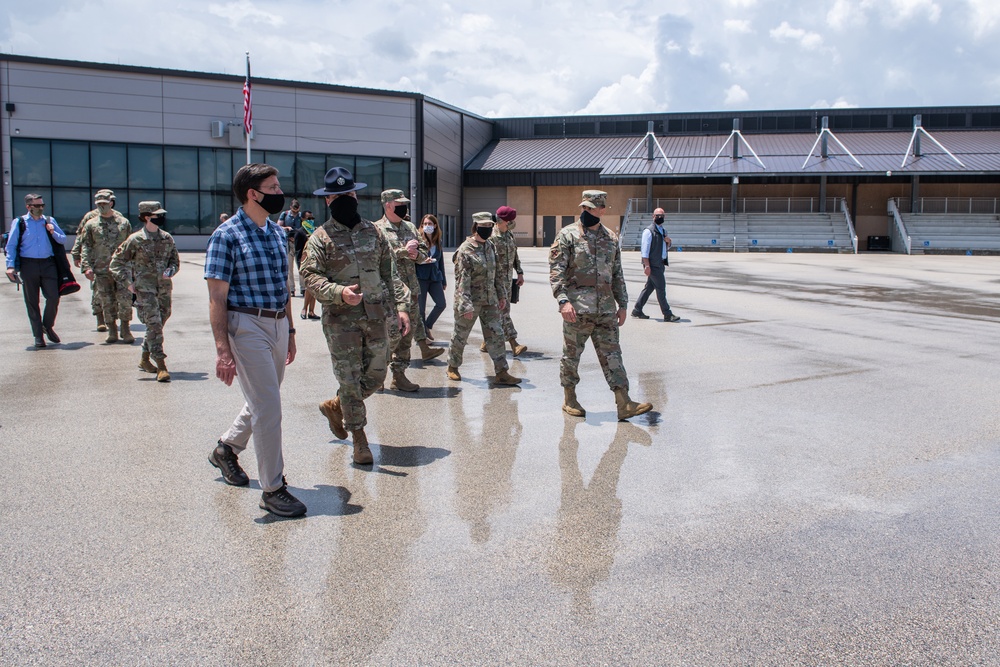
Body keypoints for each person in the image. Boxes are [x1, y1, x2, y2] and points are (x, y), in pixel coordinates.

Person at [204, 163, 305, 518]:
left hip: (277, 324)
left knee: (265, 398)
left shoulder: (278, 234)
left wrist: (290, 331)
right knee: (268, 407)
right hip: (245, 325)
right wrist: (222, 350)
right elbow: (217, 297)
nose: (280, 193)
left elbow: (285, 288)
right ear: (253, 193)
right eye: (273, 188)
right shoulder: (227, 235)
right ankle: (273, 489)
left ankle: (226, 448)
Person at [300, 167, 411, 465]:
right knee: (349, 379)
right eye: (339, 196)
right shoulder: (320, 239)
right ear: (328, 200)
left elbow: (390, 273)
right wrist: (339, 293)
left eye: (349, 194)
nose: (346, 199)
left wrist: (401, 308)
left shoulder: (374, 232)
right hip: (341, 321)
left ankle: (337, 406)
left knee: (376, 375)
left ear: (356, 195)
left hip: (377, 315)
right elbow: (309, 276)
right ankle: (359, 439)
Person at [549, 190, 652, 421]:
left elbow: (617, 273)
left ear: (602, 210)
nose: (585, 212)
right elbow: (557, 272)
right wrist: (563, 300)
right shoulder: (567, 235)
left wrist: (623, 304)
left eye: (591, 208)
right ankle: (569, 397)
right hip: (577, 311)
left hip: (605, 310)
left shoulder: (610, 238)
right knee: (571, 356)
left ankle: (624, 402)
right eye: (583, 208)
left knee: (613, 355)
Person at [374, 189, 444, 393]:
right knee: (389, 336)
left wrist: (417, 254)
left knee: (406, 336)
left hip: (411, 291)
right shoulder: (376, 230)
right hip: (389, 294)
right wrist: (404, 251)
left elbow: (424, 252)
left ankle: (399, 376)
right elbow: (376, 259)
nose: (404, 206)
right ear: (388, 205)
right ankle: (377, 375)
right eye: (399, 203)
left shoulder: (411, 227)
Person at [446, 212, 521, 386]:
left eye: (489, 226)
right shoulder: (465, 250)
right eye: (484, 226)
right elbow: (461, 282)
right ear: (475, 227)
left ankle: (502, 372)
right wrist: (465, 305)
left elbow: (496, 275)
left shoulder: (490, 246)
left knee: (496, 334)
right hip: (470, 302)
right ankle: (452, 366)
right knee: (460, 336)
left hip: (490, 300)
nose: (487, 229)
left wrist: (502, 295)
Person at [110, 201, 179, 382]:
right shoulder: (135, 240)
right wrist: (127, 283)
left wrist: (170, 271)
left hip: (163, 290)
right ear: (147, 217)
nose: (162, 218)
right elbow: (116, 263)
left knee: (157, 324)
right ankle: (161, 366)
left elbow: (175, 262)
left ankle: (144, 359)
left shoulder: (167, 238)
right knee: (154, 325)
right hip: (145, 290)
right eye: (158, 215)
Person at [5, 194, 66, 348]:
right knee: (32, 302)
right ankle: (38, 335)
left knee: (53, 297)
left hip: (48, 264)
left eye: (42, 205)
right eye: (37, 206)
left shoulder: (49, 220)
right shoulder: (20, 222)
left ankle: (47, 325)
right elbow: (11, 245)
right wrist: (10, 266)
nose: (40, 208)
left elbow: (63, 239)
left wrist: (53, 232)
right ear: (28, 207)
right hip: (28, 265)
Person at [79, 190, 134, 344]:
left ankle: (125, 328)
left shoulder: (123, 223)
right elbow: (86, 247)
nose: (102, 206)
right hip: (101, 270)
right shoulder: (91, 224)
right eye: (99, 204)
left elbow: (131, 246)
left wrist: (135, 266)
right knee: (107, 300)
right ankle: (112, 330)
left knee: (125, 299)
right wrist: (86, 267)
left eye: (105, 203)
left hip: (122, 269)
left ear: (111, 203)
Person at [72, 188, 125, 331]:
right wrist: (77, 255)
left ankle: (115, 319)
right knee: (98, 291)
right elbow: (81, 238)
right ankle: (100, 318)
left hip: (115, 262)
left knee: (116, 293)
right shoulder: (90, 218)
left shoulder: (119, 218)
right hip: (98, 261)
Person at [484, 205, 527, 356]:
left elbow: (515, 255)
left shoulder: (509, 235)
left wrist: (520, 272)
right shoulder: (491, 238)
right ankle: (514, 343)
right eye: (510, 221)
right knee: (503, 312)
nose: (512, 223)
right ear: (502, 221)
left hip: (508, 281)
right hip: (496, 283)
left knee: (499, 312)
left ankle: (486, 341)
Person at [632, 207, 681, 322]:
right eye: (658, 215)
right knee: (661, 288)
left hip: (660, 263)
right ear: (653, 217)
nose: (660, 218)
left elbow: (664, 248)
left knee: (649, 288)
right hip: (653, 265)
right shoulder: (648, 231)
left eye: (662, 216)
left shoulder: (663, 231)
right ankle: (667, 314)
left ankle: (637, 310)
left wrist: (669, 242)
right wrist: (647, 266)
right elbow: (644, 251)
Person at [415, 214, 446, 341]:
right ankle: (423, 336)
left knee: (441, 304)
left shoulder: (438, 241)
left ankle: (426, 326)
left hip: (435, 278)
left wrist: (443, 280)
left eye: (430, 224)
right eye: (425, 224)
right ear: (422, 226)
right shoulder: (417, 240)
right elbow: (412, 258)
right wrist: (422, 261)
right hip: (421, 277)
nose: (427, 226)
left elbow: (441, 262)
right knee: (421, 309)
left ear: (435, 226)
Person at [295, 211, 319, 320]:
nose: (311, 220)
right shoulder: (300, 232)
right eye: (308, 218)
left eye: (312, 217)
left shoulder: (314, 231)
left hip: (315, 262)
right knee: (309, 286)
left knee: (313, 287)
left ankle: (311, 311)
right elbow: (298, 251)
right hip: (305, 263)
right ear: (303, 219)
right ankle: (304, 308)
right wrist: (300, 264)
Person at [278, 199, 303, 297]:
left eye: (296, 210)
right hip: (288, 242)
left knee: (301, 266)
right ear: (290, 207)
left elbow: (308, 227)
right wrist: (287, 228)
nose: (294, 211)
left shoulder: (302, 216)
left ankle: (303, 288)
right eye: (293, 209)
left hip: (299, 243)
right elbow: (279, 226)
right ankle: (292, 289)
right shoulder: (284, 214)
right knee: (289, 268)